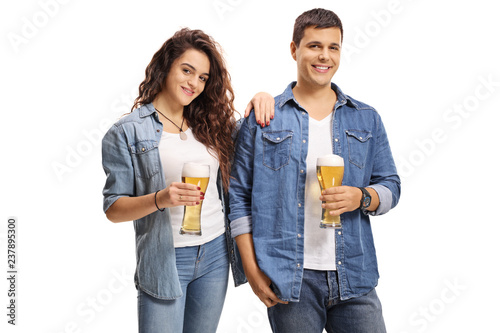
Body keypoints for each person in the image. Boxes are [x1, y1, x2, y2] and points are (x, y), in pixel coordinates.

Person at [229, 8, 401, 333]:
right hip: (290, 278)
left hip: (355, 275)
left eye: (333, 47)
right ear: (294, 50)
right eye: (314, 46)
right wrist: (251, 271)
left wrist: (362, 197)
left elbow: (391, 185)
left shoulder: (366, 118)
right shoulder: (265, 117)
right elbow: (237, 196)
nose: (324, 56)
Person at [101, 28, 273, 333]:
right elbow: (114, 208)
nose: (194, 83)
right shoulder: (127, 132)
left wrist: (262, 97)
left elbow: (254, 134)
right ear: (166, 66)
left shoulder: (210, 123)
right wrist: (161, 199)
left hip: (216, 254)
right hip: (166, 259)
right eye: (187, 70)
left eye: (203, 78)